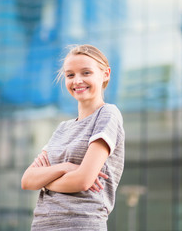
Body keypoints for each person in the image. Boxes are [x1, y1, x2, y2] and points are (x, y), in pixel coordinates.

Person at [21, 44, 125, 230]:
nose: (77, 80)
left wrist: (44, 181)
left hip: (82, 224)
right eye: (70, 75)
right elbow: (28, 181)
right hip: (42, 225)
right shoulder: (63, 128)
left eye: (86, 73)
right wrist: (66, 167)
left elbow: (83, 180)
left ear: (105, 74)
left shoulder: (108, 114)